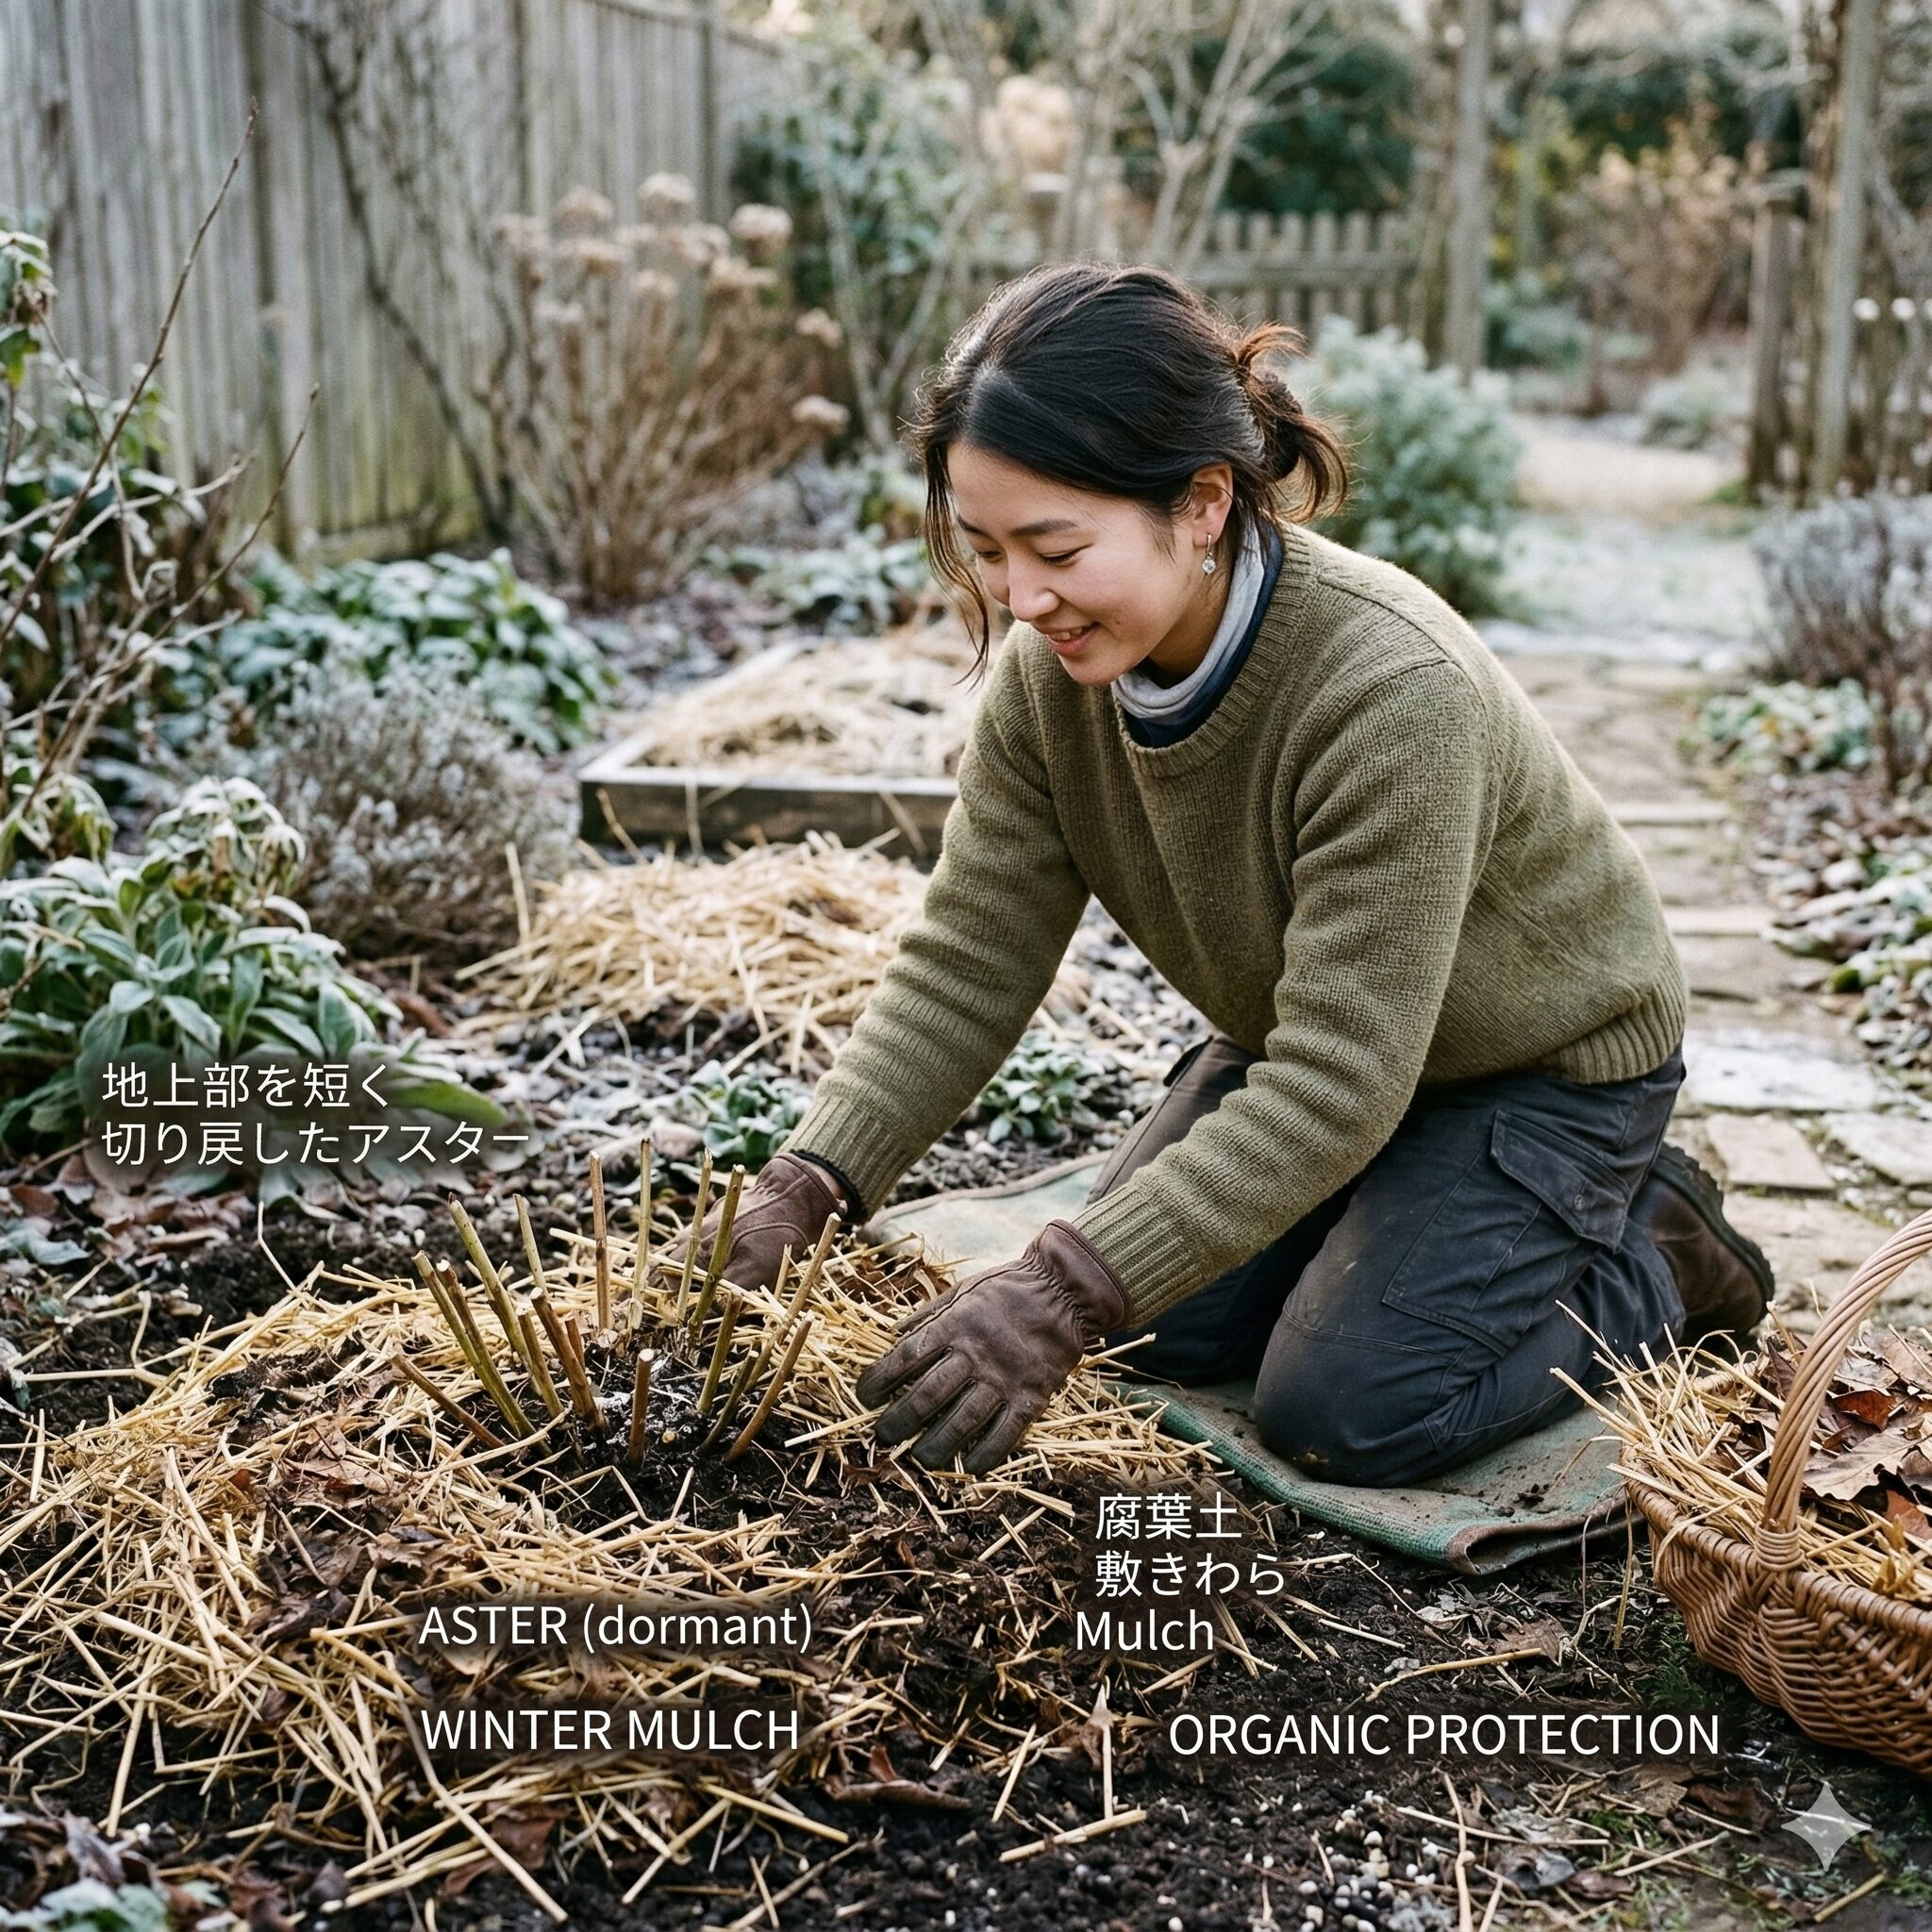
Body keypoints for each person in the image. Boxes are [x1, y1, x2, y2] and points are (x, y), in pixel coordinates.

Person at [701, 260, 1772, 1483]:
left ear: (1204, 502)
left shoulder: (1388, 692)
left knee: (1346, 1409)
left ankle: (1659, 1248)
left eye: (1057, 546)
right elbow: (968, 961)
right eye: (987, 548)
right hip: (1328, 1046)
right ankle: (1401, 1222)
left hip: (1541, 1068)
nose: (1022, 596)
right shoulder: (1051, 685)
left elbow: (1335, 1086)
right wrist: (814, 1179)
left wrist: (1061, 1290)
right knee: (1154, 1331)